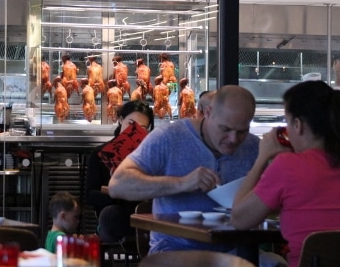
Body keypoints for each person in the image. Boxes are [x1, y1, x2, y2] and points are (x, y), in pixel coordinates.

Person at [108, 85, 260, 254]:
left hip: (237, 249)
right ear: (208, 113)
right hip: (175, 249)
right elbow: (118, 185)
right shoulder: (169, 137)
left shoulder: (254, 147)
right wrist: (182, 183)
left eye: (242, 132)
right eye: (225, 129)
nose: (233, 139)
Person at [230, 81, 340, 267]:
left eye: (287, 121)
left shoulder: (288, 166)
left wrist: (262, 158)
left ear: (298, 125)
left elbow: (239, 219)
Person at [85, 100, 155, 243]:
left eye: (142, 128)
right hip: (116, 214)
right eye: (131, 124)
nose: (134, 132)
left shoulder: (151, 156)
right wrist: (116, 190)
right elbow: (90, 195)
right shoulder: (101, 153)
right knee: (110, 215)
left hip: (144, 213)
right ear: (121, 120)